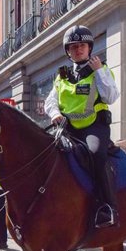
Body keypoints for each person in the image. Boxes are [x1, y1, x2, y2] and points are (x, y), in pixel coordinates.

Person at [44, 25, 120, 228]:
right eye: (73, 46)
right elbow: (50, 102)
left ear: (89, 48)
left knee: (95, 154)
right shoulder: (62, 76)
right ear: (68, 51)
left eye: (82, 46)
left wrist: (99, 72)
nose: (78, 49)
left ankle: (107, 207)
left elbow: (110, 96)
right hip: (67, 128)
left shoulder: (101, 70)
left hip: (93, 127)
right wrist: (55, 114)